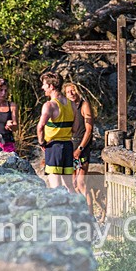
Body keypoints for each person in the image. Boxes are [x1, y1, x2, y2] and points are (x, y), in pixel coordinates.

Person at [37, 72, 78, 190]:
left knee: (55, 186)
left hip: (54, 146)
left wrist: (41, 142)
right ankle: (76, 207)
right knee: (69, 185)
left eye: (44, 85)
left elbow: (40, 127)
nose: (42, 87)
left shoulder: (50, 105)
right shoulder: (72, 104)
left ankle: (60, 208)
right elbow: (74, 129)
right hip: (68, 146)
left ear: (51, 86)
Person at [64, 82, 95, 216]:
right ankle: (77, 213)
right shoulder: (66, 107)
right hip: (70, 146)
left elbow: (89, 129)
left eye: (73, 90)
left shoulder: (84, 104)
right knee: (71, 183)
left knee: (81, 183)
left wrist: (80, 148)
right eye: (68, 92)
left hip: (82, 146)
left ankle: (90, 215)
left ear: (77, 91)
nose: (71, 93)